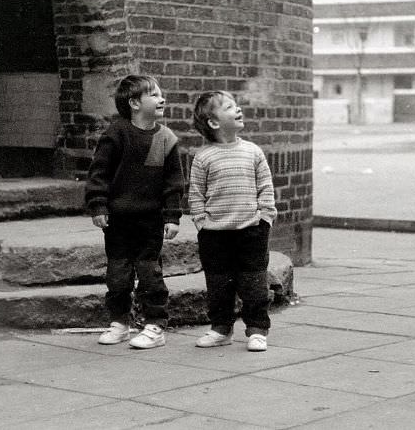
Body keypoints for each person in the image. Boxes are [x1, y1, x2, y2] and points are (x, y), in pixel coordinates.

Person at [85, 75, 184, 349]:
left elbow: (173, 183)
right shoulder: (116, 134)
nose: (161, 98)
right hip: (117, 221)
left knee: (150, 273)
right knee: (118, 274)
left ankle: (155, 325)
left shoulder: (166, 139)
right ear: (134, 103)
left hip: (150, 221)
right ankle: (120, 323)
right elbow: (99, 173)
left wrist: (173, 216)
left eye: (160, 94)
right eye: (153, 95)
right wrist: (98, 205)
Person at [188, 90, 277, 352]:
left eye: (236, 105)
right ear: (214, 123)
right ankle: (221, 328)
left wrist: (265, 218)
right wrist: (201, 223)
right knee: (218, 285)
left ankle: (258, 329)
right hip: (215, 234)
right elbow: (196, 194)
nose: (238, 109)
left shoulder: (252, 151)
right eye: (229, 107)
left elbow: (265, 187)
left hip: (251, 230)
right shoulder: (203, 157)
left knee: (254, 284)